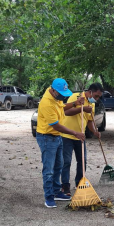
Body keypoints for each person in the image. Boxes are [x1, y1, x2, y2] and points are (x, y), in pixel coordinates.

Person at [36, 78, 86, 208]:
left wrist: (75, 103)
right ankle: (49, 197)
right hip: (47, 137)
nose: (62, 96)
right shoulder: (47, 103)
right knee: (49, 170)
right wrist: (75, 133)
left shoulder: (55, 98)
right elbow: (56, 125)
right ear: (53, 90)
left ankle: (57, 191)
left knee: (59, 165)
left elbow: (62, 108)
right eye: (60, 93)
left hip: (57, 137)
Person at [60, 83, 103, 196]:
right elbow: (65, 112)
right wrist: (81, 109)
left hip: (80, 136)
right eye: (96, 96)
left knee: (82, 161)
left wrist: (94, 132)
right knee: (66, 162)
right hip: (67, 135)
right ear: (90, 92)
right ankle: (65, 186)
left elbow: (89, 121)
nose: (97, 99)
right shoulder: (76, 96)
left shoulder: (92, 105)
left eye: (99, 97)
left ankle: (79, 183)